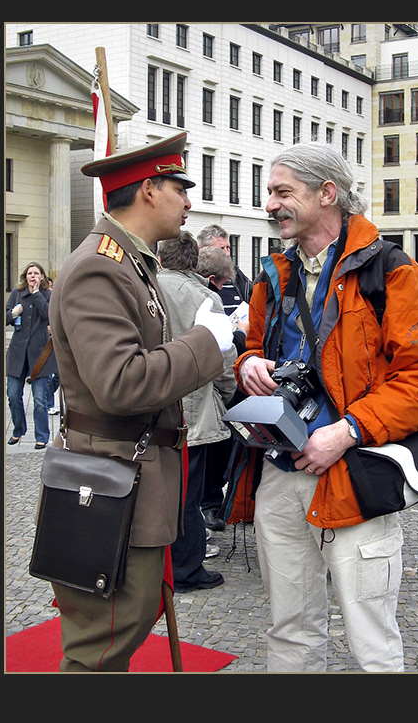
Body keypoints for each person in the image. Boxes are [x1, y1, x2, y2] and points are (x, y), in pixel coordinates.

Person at [235, 141, 418, 672]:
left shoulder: (394, 273)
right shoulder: (272, 275)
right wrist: (248, 364)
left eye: (282, 192)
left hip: (353, 478)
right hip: (280, 475)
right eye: (269, 192)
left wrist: (348, 431)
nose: (270, 204)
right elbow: (255, 346)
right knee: (289, 632)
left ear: (327, 194)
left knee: (372, 641)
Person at [47, 132, 233, 671]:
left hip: (131, 478)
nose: (188, 201)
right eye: (180, 187)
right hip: (109, 482)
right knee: (100, 648)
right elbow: (121, 384)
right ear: (149, 190)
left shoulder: (133, 262)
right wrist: (206, 344)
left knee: (120, 633)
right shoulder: (100, 266)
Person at [157, 232, 238, 591]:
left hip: (151, 402)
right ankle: (187, 570)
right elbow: (221, 358)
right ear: (194, 262)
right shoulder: (205, 297)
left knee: (159, 489)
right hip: (192, 408)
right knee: (187, 494)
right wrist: (228, 394)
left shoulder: (146, 285)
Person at [196, 244, 250, 531]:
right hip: (209, 393)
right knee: (211, 456)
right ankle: (209, 508)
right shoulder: (207, 297)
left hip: (187, 393)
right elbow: (222, 352)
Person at [6, 262, 58, 448]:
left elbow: (49, 315)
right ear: (25, 276)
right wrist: (13, 313)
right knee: (13, 395)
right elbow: (5, 318)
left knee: (39, 400)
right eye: (30, 273)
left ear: (42, 277)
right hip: (17, 353)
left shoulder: (47, 295)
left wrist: (36, 295)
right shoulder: (16, 293)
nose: (33, 276)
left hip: (39, 354)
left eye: (36, 273)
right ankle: (18, 430)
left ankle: (42, 436)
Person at [197, 223, 253, 313]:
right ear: (202, 250)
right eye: (221, 248)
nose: (226, 253)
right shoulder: (193, 281)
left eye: (228, 248)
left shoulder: (239, 278)